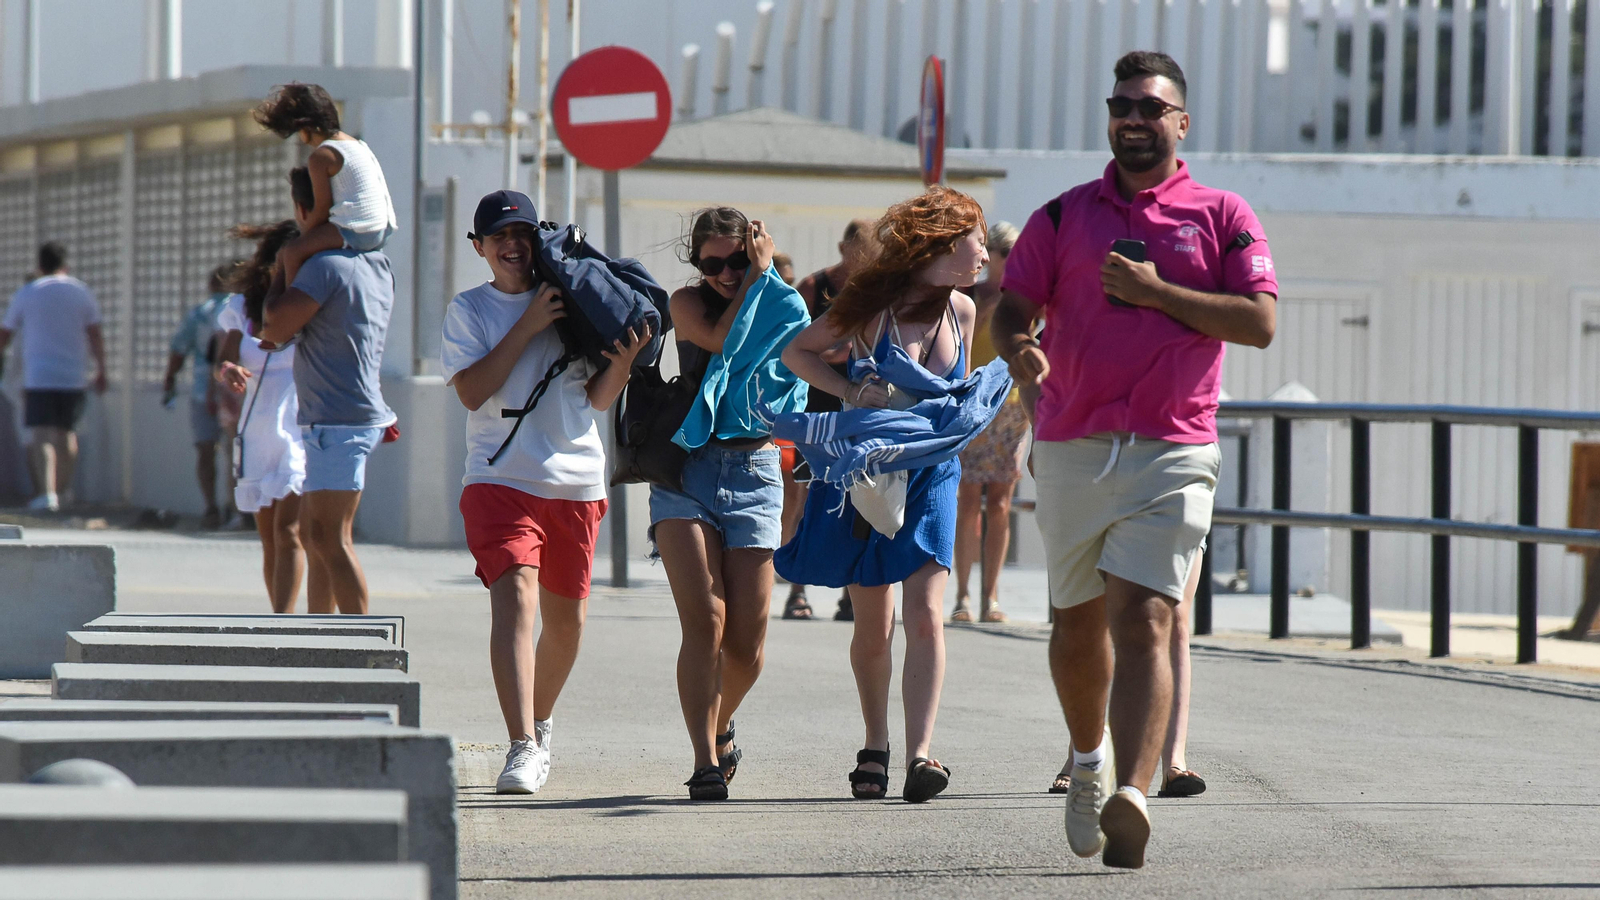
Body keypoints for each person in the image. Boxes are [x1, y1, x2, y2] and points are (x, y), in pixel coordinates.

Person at [992, 51, 1278, 868]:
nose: (1133, 119)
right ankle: (1089, 765)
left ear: (1180, 123)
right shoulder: (1062, 215)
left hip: (1174, 447)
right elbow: (1014, 306)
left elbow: (1258, 323)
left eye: (1151, 108)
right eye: (1122, 105)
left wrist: (1158, 294)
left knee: (1146, 617)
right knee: (1077, 625)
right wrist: (1020, 351)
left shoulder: (1223, 214)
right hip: (1072, 442)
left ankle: (1135, 792)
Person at [779, 187, 985, 803]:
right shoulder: (871, 310)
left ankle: (921, 753)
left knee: (924, 612)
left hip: (934, 474)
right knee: (875, 621)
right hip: (869, 475)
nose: (983, 253)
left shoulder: (964, 313)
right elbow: (797, 353)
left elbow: (957, 394)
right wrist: (849, 390)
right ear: (942, 245)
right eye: (974, 239)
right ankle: (877, 741)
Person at [443, 190, 651, 794]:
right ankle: (522, 745)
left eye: (524, 234)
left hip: (575, 479)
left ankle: (540, 719)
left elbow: (595, 400)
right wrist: (530, 324)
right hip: (498, 478)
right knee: (515, 598)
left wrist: (624, 362)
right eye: (499, 236)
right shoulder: (471, 310)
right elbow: (471, 391)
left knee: (566, 624)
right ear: (479, 247)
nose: (513, 245)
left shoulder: (576, 302)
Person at [652, 208, 809, 801]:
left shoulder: (780, 301)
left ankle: (720, 726)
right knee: (707, 622)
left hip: (756, 467)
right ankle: (703, 761)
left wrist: (767, 281)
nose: (724, 272)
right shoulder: (687, 304)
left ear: (754, 252)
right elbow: (722, 343)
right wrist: (759, 279)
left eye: (736, 260)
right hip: (686, 467)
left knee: (747, 643)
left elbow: (805, 359)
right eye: (711, 262)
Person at [260, 166, 397, 616]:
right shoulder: (375, 262)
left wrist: (285, 263)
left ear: (307, 209)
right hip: (342, 417)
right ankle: (323, 634)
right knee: (322, 535)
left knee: (327, 537)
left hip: (338, 421)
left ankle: (364, 645)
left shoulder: (323, 267)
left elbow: (274, 326)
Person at [216, 218, 310, 615]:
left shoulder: (311, 303)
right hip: (256, 430)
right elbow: (224, 358)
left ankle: (286, 625)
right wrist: (228, 369)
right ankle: (278, 619)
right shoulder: (242, 308)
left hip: (297, 428)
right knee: (269, 537)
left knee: (289, 532)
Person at [787, 219, 877, 622]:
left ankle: (849, 595)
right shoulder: (814, 285)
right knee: (805, 497)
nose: (863, 258)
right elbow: (790, 346)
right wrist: (831, 357)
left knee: (858, 499)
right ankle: (796, 590)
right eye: (858, 249)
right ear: (843, 248)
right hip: (818, 407)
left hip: (859, 412)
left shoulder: (877, 293)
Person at [951, 221, 1027, 625]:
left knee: (1000, 503)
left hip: (1012, 407)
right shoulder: (971, 296)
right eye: (1007, 254)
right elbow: (964, 344)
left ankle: (991, 596)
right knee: (967, 501)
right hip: (973, 404)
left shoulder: (1027, 299)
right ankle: (963, 594)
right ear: (992, 256)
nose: (1013, 262)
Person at [253, 83, 397, 285]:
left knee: (292, 253)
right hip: (380, 230)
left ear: (306, 128)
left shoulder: (323, 155)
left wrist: (304, 234)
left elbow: (322, 210)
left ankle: (293, 308)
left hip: (355, 230)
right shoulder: (357, 145)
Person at [0, 242, 107, 512]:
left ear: (39, 265)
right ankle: (64, 489)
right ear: (65, 264)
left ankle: (48, 493)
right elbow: (95, 333)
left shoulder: (29, 292)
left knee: (42, 435)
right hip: (73, 375)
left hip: (39, 375)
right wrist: (101, 368)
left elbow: (5, 332)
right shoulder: (80, 291)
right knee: (67, 434)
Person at [163, 263, 235, 529]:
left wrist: (169, 379)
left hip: (202, 389)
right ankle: (236, 507)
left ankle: (211, 507)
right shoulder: (240, 308)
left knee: (206, 450)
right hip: (235, 388)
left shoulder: (200, 313)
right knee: (234, 450)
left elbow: (179, 348)